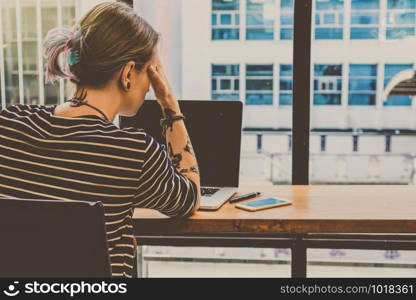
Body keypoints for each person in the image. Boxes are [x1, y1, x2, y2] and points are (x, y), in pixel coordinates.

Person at [0, 1, 200, 278]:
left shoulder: (9, 123)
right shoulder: (132, 151)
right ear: (128, 73)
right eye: (152, 71)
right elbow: (189, 198)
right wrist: (170, 105)